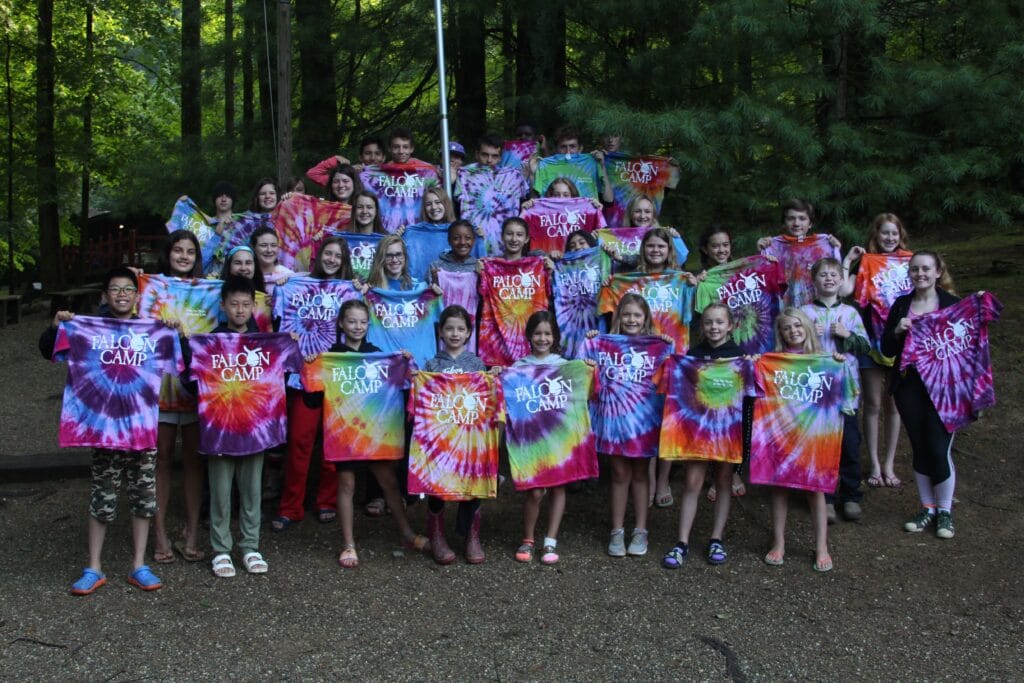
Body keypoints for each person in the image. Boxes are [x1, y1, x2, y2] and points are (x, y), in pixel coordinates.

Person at [42, 267, 165, 595]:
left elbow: (181, 360)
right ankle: (93, 567)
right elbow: (49, 350)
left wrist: (176, 334)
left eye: (128, 289)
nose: (122, 294)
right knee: (102, 497)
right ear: (104, 296)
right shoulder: (86, 328)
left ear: (138, 297)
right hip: (103, 431)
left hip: (140, 429)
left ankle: (139, 564)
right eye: (115, 289)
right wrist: (56, 327)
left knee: (144, 498)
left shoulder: (152, 330)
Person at [318, 299, 430, 568]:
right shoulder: (331, 356)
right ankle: (348, 544)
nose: (357, 326)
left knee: (389, 482)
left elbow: (399, 388)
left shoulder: (378, 353)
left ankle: (406, 534)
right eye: (352, 321)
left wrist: (404, 363)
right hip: (344, 432)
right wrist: (313, 364)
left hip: (375, 432)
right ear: (341, 324)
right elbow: (313, 399)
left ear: (369, 325)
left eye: (362, 322)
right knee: (346, 485)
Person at [189, 277, 279, 578]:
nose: (240, 310)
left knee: (252, 490)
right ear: (224, 306)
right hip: (220, 430)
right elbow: (190, 383)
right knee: (220, 491)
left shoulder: (266, 342)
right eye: (234, 304)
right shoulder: (210, 343)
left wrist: (286, 343)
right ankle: (221, 549)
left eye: (245, 304)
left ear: (254, 306)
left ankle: (251, 546)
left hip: (255, 429)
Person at [272, 236, 355, 531]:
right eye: (328, 254)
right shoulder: (296, 284)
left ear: (344, 262)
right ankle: (290, 506)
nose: (332, 259)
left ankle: (326, 502)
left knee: (334, 444)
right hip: (302, 375)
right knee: (298, 442)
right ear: (319, 257)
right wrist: (281, 286)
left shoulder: (351, 291)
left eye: (338, 256)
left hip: (337, 375)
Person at [583, 294, 672, 558]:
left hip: (644, 421)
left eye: (637, 315)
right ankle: (617, 530)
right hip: (613, 420)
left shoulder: (658, 346)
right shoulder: (602, 344)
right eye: (627, 315)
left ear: (645, 318)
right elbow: (587, 371)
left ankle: (641, 529)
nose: (632, 320)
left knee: (642, 474)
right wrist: (591, 346)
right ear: (618, 316)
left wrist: (668, 345)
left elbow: (673, 373)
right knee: (619, 475)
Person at [880, 251, 961, 539]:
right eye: (914, 269)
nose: (920, 274)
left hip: (946, 389)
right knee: (920, 447)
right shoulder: (902, 305)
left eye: (925, 269)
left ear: (938, 271)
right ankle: (927, 507)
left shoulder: (953, 305)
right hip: (909, 386)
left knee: (939, 449)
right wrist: (897, 333)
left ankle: (945, 511)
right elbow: (887, 350)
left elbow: (969, 348)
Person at [661, 303, 745, 568]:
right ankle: (682, 542)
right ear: (702, 326)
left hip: (729, 431)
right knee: (692, 482)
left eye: (720, 322)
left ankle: (716, 538)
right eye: (708, 322)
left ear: (730, 326)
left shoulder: (742, 357)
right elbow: (681, 389)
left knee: (723, 482)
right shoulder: (692, 356)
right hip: (697, 431)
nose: (714, 327)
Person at [764, 308, 843, 572]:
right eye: (787, 328)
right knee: (779, 487)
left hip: (813, 435)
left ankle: (822, 545)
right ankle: (779, 541)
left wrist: (837, 364)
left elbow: (841, 397)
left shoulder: (823, 359)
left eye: (798, 326)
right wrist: (756, 360)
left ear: (807, 327)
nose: (793, 331)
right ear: (781, 333)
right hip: (782, 433)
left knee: (815, 490)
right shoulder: (773, 361)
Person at [839, 213, 912, 488]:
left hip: (903, 343)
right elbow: (845, 290)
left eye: (894, 233)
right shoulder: (868, 262)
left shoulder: (911, 262)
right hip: (871, 342)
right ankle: (874, 463)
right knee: (871, 404)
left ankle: (890, 463)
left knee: (894, 406)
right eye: (885, 234)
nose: (890, 238)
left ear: (900, 234)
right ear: (876, 235)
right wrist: (849, 261)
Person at [151, 231, 207, 565]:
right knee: (160, 461)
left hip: (196, 388)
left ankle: (191, 532)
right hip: (159, 386)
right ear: (168, 253)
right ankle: (159, 534)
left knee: (193, 462)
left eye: (190, 251)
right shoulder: (151, 288)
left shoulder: (209, 290)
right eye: (178, 250)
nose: (184, 256)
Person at [800, 258, 870, 523]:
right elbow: (791, 347)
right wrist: (811, 337)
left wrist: (845, 335)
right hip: (816, 391)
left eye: (833, 275)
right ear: (814, 281)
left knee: (850, 442)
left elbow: (865, 348)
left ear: (841, 281)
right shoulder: (804, 312)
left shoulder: (851, 314)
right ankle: (825, 497)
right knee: (821, 443)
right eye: (822, 275)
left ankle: (851, 494)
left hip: (846, 391)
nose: (828, 279)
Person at [422, 305, 492, 564]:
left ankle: (471, 536)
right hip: (441, 436)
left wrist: (491, 377)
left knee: (471, 483)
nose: (454, 333)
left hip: (469, 435)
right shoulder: (432, 364)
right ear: (440, 331)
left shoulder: (476, 363)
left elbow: (486, 399)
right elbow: (426, 400)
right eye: (449, 328)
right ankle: (437, 534)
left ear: (468, 333)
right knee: (437, 483)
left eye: (460, 329)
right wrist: (420, 379)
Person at [510, 312, 573, 565]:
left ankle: (550, 540)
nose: (542, 338)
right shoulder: (518, 366)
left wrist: (587, 371)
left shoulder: (564, 365)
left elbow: (579, 396)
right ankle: (528, 538)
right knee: (535, 492)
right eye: (537, 333)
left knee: (559, 486)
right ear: (529, 336)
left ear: (555, 336)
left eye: (547, 334)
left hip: (558, 436)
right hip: (532, 439)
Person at [757, 199, 841, 307]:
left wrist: (836, 250)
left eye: (802, 218)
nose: (796, 223)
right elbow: (762, 279)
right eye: (791, 218)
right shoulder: (773, 246)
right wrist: (760, 253)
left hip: (816, 310)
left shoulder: (824, 246)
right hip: (786, 312)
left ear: (810, 223)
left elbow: (837, 277)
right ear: (784, 222)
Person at [249, 226, 293, 297]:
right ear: (253, 247)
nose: (269, 250)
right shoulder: (246, 274)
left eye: (273, 245)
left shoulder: (288, 276)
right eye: (263, 245)